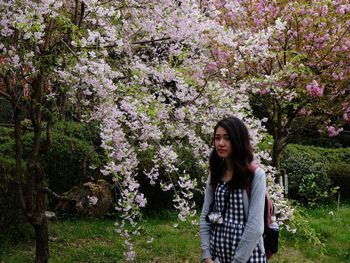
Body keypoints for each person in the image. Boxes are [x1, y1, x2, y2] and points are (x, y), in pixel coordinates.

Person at [200, 116, 267, 263]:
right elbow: (206, 215)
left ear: (238, 140)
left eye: (227, 138)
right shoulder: (215, 174)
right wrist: (207, 256)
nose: (221, 143)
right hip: (218, 257)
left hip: (247, 258)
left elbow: (255, 227)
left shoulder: (255, 176)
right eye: (217, 138)